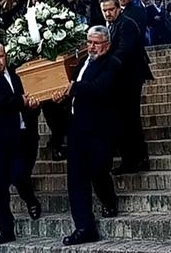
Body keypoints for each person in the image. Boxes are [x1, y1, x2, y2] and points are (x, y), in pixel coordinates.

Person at [52, 26, 121, 245]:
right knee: (76, 178)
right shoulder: (82, 63)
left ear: (107, 45)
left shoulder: (113, 63)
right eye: (89, 42)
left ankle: (109, 201)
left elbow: (100, 88)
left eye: (96, 43)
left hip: (100, 128)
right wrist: (62, 96)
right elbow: (73, 91)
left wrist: (73, 88)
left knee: (99, 170)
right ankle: (84, 227)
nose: (91, 47)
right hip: (77, 127)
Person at [0, 43, 41, 246]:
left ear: (6, 56)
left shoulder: (17, 75)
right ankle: (5, 230)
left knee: (20, 175)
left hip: (19, 136)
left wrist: (32, 105)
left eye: (0, 56)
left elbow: (29, 101)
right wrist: (21, 101)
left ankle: (30, 199)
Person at [99, 0, 154, 174]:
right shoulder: (112, 26)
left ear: (118, 8)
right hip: (120, 79)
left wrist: (105, 66)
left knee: (130, 118)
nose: (107, 13)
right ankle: (130, 159)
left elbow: (124, 51)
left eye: (110, 9)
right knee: (123, 119)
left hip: (130, 78)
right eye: (104, 10)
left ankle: (138, 159)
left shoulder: (127, 24)